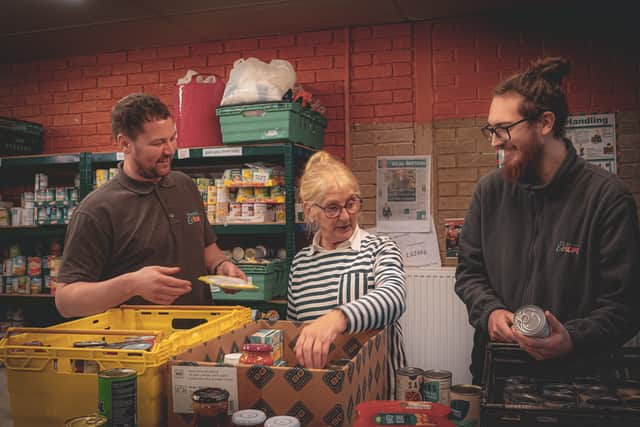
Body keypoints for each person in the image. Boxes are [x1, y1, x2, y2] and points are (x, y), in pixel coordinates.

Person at [455, 57, 640, 384]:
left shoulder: (607, 198)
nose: (495, 141)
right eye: (491, 130)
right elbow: (470, 272)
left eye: (504, 129)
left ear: (544, 123)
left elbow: (625, 305)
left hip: (577, 384)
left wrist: (572, 338)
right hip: (498, 374)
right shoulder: (490, 192)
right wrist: (490, 312)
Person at [55, 93, 245, 317]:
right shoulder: (97, 210)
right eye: (157, 143)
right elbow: (66, 301)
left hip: (200, 332)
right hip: (139, 345)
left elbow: (205, 246)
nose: (169, 150)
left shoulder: (185, 185)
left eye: (172, 138)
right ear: (125, 144)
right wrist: (131, 284)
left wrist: (221, 267)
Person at [287, 151, 407, 397]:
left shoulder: (380, 248)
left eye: (351, 203)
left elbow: (394, 297)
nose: (345, 215)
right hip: (322, 396)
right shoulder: (300, 265)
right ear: (310, 211)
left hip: (379, 392)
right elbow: (293, 331)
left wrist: (336, 319)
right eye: (332, 208)